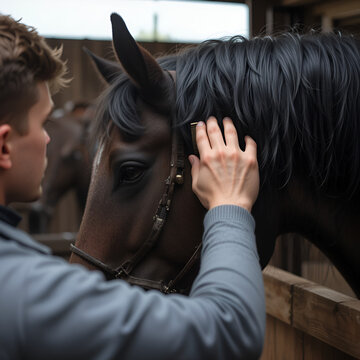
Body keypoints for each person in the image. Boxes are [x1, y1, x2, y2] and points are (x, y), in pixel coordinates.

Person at [0, 14, 265, 360]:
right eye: (44, 122)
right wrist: (229, 206)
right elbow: (231, 332)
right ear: (5, 146)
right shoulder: (19, 290)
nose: (48, 137)